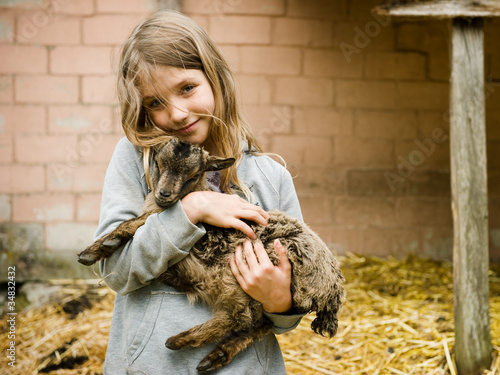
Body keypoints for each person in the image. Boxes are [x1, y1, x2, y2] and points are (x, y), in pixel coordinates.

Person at [96, 10, 304, 374]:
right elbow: (115, 271)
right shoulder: (137, 161)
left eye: (187, 88)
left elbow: (288, 318)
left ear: (216, 78)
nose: (176, 114)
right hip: (151, 366)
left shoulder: (271, 178)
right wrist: (189, 210)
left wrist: (279, 300)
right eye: (155, 103)